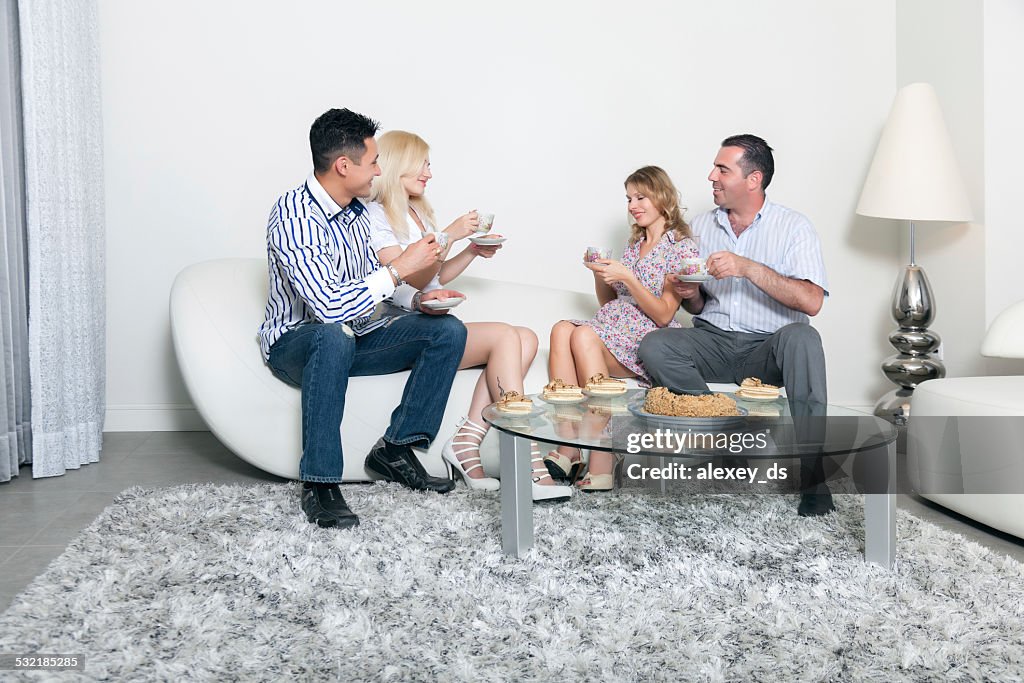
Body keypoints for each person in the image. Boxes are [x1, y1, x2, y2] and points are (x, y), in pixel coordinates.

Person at [258, 109, 469, 529]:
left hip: (357, 335)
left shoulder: (359, 213)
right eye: (373, 161)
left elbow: (369, 297)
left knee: (445, 331)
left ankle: (395, 449)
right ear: (343, 165)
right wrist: (399, 269)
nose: (379, 170)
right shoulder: (295, 216)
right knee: (332, 336)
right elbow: (330, 310)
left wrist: (416, 304)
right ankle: (319, 483)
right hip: (297, 341)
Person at [367, 130, 571, 501]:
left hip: (431, 324)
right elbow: (405, 274)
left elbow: (435, 276)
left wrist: (472, 250)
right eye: (423, 164)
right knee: (509, 337)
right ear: (399, 166)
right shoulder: (374, 216)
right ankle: (525, 455)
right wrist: (450, 235)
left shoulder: (416, 211)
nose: (429, 172)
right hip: (403, 330)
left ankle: (466, 442)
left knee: (525, 336)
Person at [636, 134, 832, 515]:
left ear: (753, 180)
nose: (712, 176)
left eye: (722, 169)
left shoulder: (794, 227)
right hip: (713, 341)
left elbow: (811, 301)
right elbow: (697, 306)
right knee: (655, 345)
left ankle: (814, 475)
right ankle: (729, 434)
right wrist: (688, 292)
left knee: (803, 337)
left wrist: (747, 268)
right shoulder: (699, 226)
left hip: (769, 347)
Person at [547, 166, 698, 491]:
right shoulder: (635, 244)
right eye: (629, 198)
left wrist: (628, 277)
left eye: (640, 197)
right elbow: (609, 303)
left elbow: (663, 314)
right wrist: (600, 274)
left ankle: (603, 458)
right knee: (561, 329)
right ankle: (569, 448)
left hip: (647, 340)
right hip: (614, 327)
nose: (632, 205)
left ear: (662, 197)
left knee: (583, 334)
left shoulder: (681, 248)